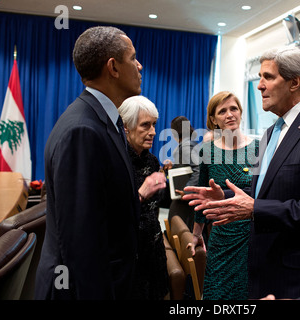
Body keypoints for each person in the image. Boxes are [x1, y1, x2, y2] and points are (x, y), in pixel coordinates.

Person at [184, 48, 300, 299]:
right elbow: (262, 190)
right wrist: (226, 196)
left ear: (295, 82)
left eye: (268, 77)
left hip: (288, 275)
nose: (259, 86)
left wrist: (254, 209)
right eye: (259, 77)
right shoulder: (272, 132)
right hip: (256, 265)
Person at [35, 26, 143, 299]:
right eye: (133, 58)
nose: (139, 65)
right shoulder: (83, 130)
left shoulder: (102, 121)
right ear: (113, 67)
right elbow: (82, 243)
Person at [189, 91, 259, 300]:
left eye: (233, 108)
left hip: (251, 238)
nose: (229, 114)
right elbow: (202, 197)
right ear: (213, 119)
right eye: (222, 111)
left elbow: (263, 194)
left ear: (241, 112)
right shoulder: (208, 151)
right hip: (220, 239)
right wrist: (196, 234)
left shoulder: (258, 148)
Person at [118, 95, 169, 300]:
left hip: (153, 250)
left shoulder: (152, 160)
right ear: (127, 127)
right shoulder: (116, 160)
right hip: (128, 257)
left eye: (154, 125)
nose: (153, 132)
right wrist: (140, 194)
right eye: (145, 125)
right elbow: (109, 214)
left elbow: (158, 205)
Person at [167, 116, 200, 231]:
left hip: (185, 200)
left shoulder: (186, 146)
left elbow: (198, 169)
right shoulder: (188, 144)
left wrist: (187, 191)